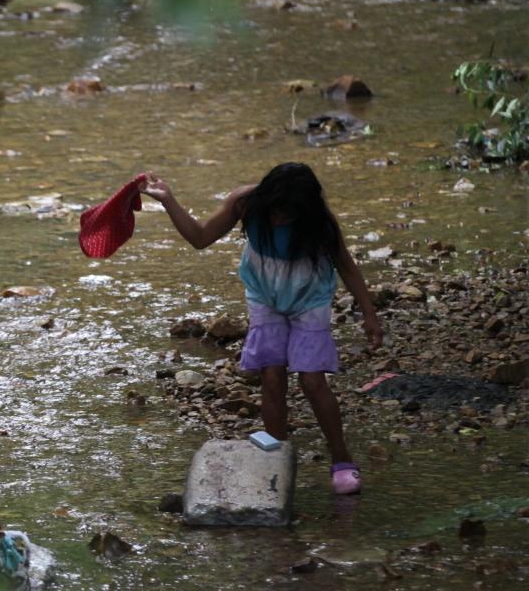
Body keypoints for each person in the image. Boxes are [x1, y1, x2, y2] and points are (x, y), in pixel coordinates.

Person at [141, 163, 383, 495]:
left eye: (288, 215)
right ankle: (276, 456)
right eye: (276, 212)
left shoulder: (319, 221)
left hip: (309, 297)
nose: (279, 220)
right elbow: (200, 238)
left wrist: (369, 314)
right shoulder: (245, 203)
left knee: (312, 380)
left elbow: (347, 266)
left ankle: (341, 458)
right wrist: (168, 199)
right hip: (265, 295)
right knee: (271, 375)